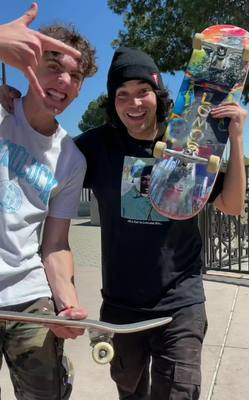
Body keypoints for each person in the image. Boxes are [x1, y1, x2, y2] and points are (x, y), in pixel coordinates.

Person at [74, 46, 247, 399]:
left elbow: (231, 204)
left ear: (158, 94)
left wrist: (236, 139)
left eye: (143, 92)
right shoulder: (97, 146)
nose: (134, 104)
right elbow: (44, 161)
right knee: (131, 393)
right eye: (122, 95)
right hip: (122, 305)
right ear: (113, 102)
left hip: (180, 303)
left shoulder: (188, 141)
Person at [0, 3, 97, 399]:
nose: (64, 81)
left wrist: (68, 305)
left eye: (75, 76)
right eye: (54, 67)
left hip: (27, 296)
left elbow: (55, 243)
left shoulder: (71, 159)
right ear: (28, 65)